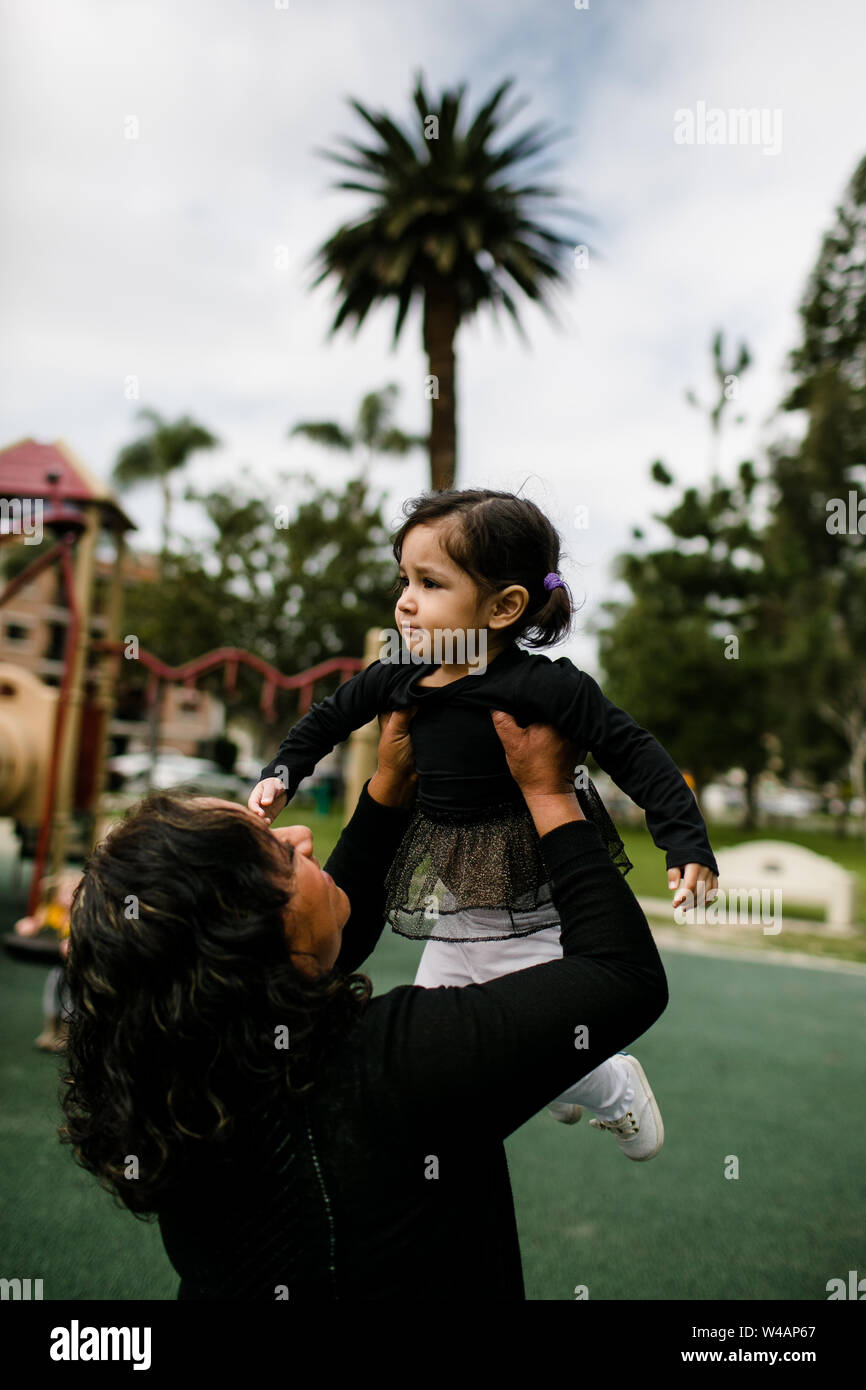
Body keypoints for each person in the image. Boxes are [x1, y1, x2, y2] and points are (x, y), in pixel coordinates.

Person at [60, 708, 668, 1300]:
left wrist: (391, 782)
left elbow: (320, 944)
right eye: (274, 851)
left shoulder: (181, 1077)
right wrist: (549, 792)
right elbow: (623, 974)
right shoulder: (399, 1062)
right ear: (244, 931)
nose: (299, 835)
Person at [249, 489, 719, 1155]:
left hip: (527, 900)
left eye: (430, 583)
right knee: (437, 1036)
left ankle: (612, 1085)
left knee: (541, 1030)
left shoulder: (544, 687)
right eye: (403, 580)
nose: (405, 601)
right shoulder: (401, 675)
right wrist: (283, 771)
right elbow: (326, 718)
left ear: (503, 608)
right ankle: (550, 1077)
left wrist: (684, 840)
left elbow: (634, 751)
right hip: (452, 900)